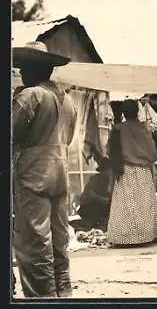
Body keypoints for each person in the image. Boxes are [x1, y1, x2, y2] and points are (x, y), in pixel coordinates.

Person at [12, 41, 77, 297]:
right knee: (58, 240)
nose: (21, 74)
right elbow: (69, 137)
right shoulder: (67, 100)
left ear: (32, 70)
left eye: (23, 69)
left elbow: (11, 132)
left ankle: (42, 298)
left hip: (33, 173)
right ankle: (63, 293)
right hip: (60, 172)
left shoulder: (30, 95)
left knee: (34, 242)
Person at [106, 99, 157, 247]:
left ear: (123, 113)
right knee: (143, 204)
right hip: (143, 170)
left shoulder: (118, 129)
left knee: (126, 204)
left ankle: (125, 238)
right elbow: (153, 152)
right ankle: (145, 236)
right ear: (137, 111)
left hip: (125, 170)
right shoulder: (143, 128)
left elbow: (110, 152)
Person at [78, 142, 114, 231]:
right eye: (104, 171)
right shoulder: (95, 179)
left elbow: (112, 201)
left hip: (108, 210)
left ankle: (100, 224)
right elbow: (83, 200)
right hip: (93, 209)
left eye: (108, 170)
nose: (106, 173)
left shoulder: (114, 181)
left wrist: (97, 197)